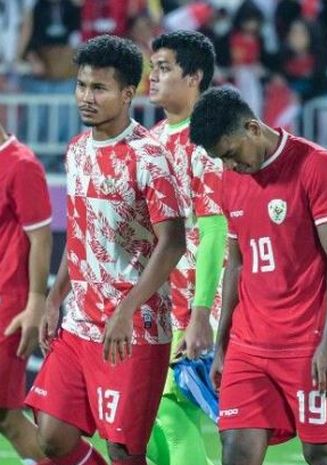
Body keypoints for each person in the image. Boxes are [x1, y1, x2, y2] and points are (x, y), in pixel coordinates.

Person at [25, 35, 186, 465]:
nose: (86, 97)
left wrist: (126, 310)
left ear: (128, 93)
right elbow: (81, 236)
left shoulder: (149, 156)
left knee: (123, 452)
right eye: (81, 86)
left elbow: (172, 243)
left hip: (134, 328)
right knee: (52, 437)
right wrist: (55, 298)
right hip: (80, 321)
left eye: (99, 88)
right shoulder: (76, 152)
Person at [190, 86, 327, 465]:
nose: (230, 166)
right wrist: (223, 344)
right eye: (221, 160)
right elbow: (237, 264)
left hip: (308, 342)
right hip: (249, 345)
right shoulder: (231, 178)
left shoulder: (315, 165)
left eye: (231, 154)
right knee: (236, 452)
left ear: (252, 127)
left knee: (325, 454)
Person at [146, 30, 227, 465]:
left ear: (194, 76)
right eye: (152, 67)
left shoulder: (207, 138)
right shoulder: (152, 140)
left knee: (170, 413)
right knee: (149, 430)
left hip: (197, 300)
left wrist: (201, 314)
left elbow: (215, 230)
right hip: (159, 301)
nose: (152, 77)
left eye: (164, 68)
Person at [0, 124, 52, 465]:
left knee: (8, 417)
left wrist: (35, 303)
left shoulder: (21, 164)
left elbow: (42, 239)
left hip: (7, 307)